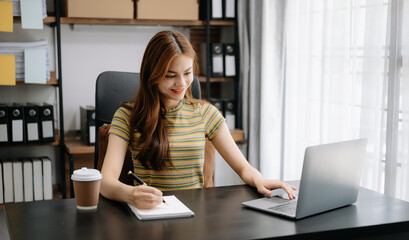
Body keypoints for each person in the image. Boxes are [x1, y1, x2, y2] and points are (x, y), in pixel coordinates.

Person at [100, 30, 296, 209]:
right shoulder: (127, 116)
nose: (181, 83)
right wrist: (131, 194)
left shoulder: (206, 113)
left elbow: (243, 167)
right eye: (170, 76)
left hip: (195, 216)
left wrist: (260, 179)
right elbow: (106, 181)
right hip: (153, 214)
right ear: (152, 75)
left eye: (187, 73)